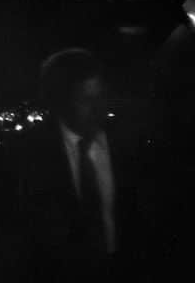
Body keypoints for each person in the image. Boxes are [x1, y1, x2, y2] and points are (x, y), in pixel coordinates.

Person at [19, 48, 141, 281]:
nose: (99, 108)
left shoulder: (124, 145)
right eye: (86, 99)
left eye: (101, 96)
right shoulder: (33, 155)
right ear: (59, 102)